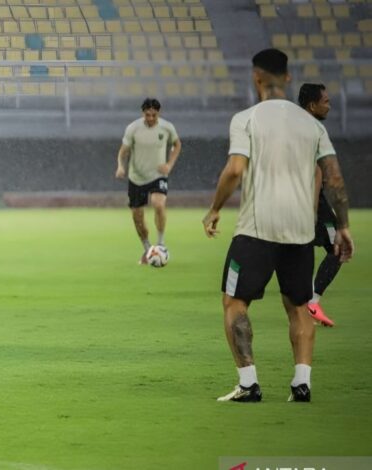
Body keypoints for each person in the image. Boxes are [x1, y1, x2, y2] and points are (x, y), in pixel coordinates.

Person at [202, 49, 353, 403]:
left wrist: (214, 209)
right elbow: (333, 176)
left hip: (257, 228)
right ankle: (302, 384)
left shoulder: (246, 119)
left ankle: (249, 383)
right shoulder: (312, 125)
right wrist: (343, 225)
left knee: (235, 302)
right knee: (299, 305)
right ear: (288, 77)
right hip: (300, 231)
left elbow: (236, 169)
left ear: (256, 77)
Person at [115, 98, 181, 264]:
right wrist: (120, 166)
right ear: (142, 113)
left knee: (158, 204)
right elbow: (123, 151)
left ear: (159, 112)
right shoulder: (133, 128)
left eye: (154, 115)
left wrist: (169, 164)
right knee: (137, 216)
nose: (150, 118)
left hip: (158, 175)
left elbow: (177, 145)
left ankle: (160, 244)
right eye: (147, 115)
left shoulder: (167, 127)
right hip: (137, 177)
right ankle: (147, 250)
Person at [298, 83, 339, 327]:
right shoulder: (315, 129)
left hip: (287, 197)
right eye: (325, 101)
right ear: (312, 105)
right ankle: (311, 302)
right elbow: (317, 172)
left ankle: (303, 303)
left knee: (295, 250)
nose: (329, 105)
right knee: (338, 248)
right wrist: (312, 209)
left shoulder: (291, 126)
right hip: (311, 200)